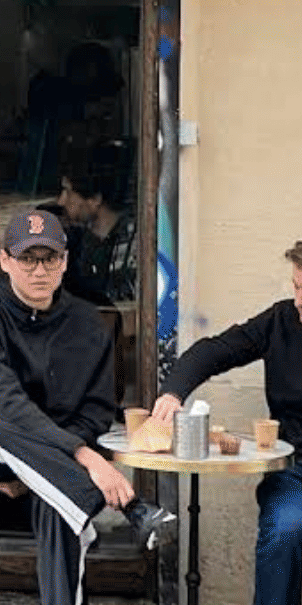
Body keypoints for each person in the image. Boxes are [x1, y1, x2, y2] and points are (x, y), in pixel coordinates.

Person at [0, 207, 175, 605]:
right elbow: (5, 402)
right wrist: (86, 458)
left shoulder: (89, 324)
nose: (39, 271)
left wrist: (33, 473)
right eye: (26, 258)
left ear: (65, 262)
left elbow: (95, 412)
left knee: (57, 500)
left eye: (50, 258)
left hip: (49, 483)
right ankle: (133, 507)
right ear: (5, 261)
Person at [150, 240, 302, 605]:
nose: (299, 300)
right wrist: (172, 393)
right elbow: (215, 350)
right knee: (284, 531)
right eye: (298, 286)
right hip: (294, 470)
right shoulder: (281, 320)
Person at [56, 139, 137, 305]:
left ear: (94, 199)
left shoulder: (135, 246)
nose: (61, 201)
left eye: (68, 192)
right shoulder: (75, 241)